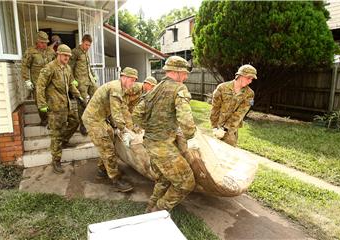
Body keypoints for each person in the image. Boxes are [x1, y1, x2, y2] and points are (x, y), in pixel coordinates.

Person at [133, 56, 196, 212]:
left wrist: (152, 128)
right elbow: (186, 122)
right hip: (163, 146)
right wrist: (190, 134)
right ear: (178, 72)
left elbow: (136, 114)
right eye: (185, 73)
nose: (186, 76)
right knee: (186, 182)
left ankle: (150, 206)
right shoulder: (179, 88)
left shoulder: (155, 88)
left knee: (163, 178)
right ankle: (159, 210)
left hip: (149, 143)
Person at [82, 67, 139, 193]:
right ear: (124, 77)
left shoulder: (120, 88)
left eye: (135, 81)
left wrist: (118, 127)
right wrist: (124, 130)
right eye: (131, 80)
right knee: (108, 149)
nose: (132, 83)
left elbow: (119, 110)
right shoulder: (116, 88)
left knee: (111, 140)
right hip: (93, 120)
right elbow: (116, 113)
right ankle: (115, 179)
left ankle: (102, 170)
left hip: (100, 118)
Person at [36, 44, 84, 174]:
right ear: (58, 54)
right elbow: (40, 86)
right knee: (56, 133)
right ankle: (56, 160)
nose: (67, 58)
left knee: (75, 121)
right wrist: (42, 104)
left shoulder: (67, 68)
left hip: (66, 104)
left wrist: (78, 96)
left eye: (68, 56)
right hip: (55, 107)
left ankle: (64, 141)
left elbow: (70, 84)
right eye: (64, 55)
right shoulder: (49, 68)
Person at [210, 64, 256, 146]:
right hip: (218, 126)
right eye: (248, 78)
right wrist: (214, 127)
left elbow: (240, 113)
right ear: (240, 76)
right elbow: (215, 108)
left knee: (229, 151)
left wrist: (225, 129)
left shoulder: (249, 93)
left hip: (231, 129)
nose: (250, 81)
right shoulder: (222, 88)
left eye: (252, 79)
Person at [21, 31, 56, 126]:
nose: (45, 45)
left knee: (52, 102)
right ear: (37, 42)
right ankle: (44, 120)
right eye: (42, 43)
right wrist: (27, 80)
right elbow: (24, 66)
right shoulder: (30, 52)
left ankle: (52, 120)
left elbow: (57, 64)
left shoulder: (51, 51)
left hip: (50, 83)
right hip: (37, 84)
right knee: (40, 104)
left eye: (46, 43)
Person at [69, 34, 98, 136]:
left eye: (89, 45)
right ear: (82, 41)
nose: (87, 47)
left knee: (97, 97)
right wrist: (72, 80)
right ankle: (83, 125)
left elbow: (88, 67)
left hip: (89, 80)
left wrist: (94, 76)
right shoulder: (75, 52)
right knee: (82, 103)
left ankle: (93, 119)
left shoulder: (86, 53)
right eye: (86, 45)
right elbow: (69, 68)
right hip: (80, 82)